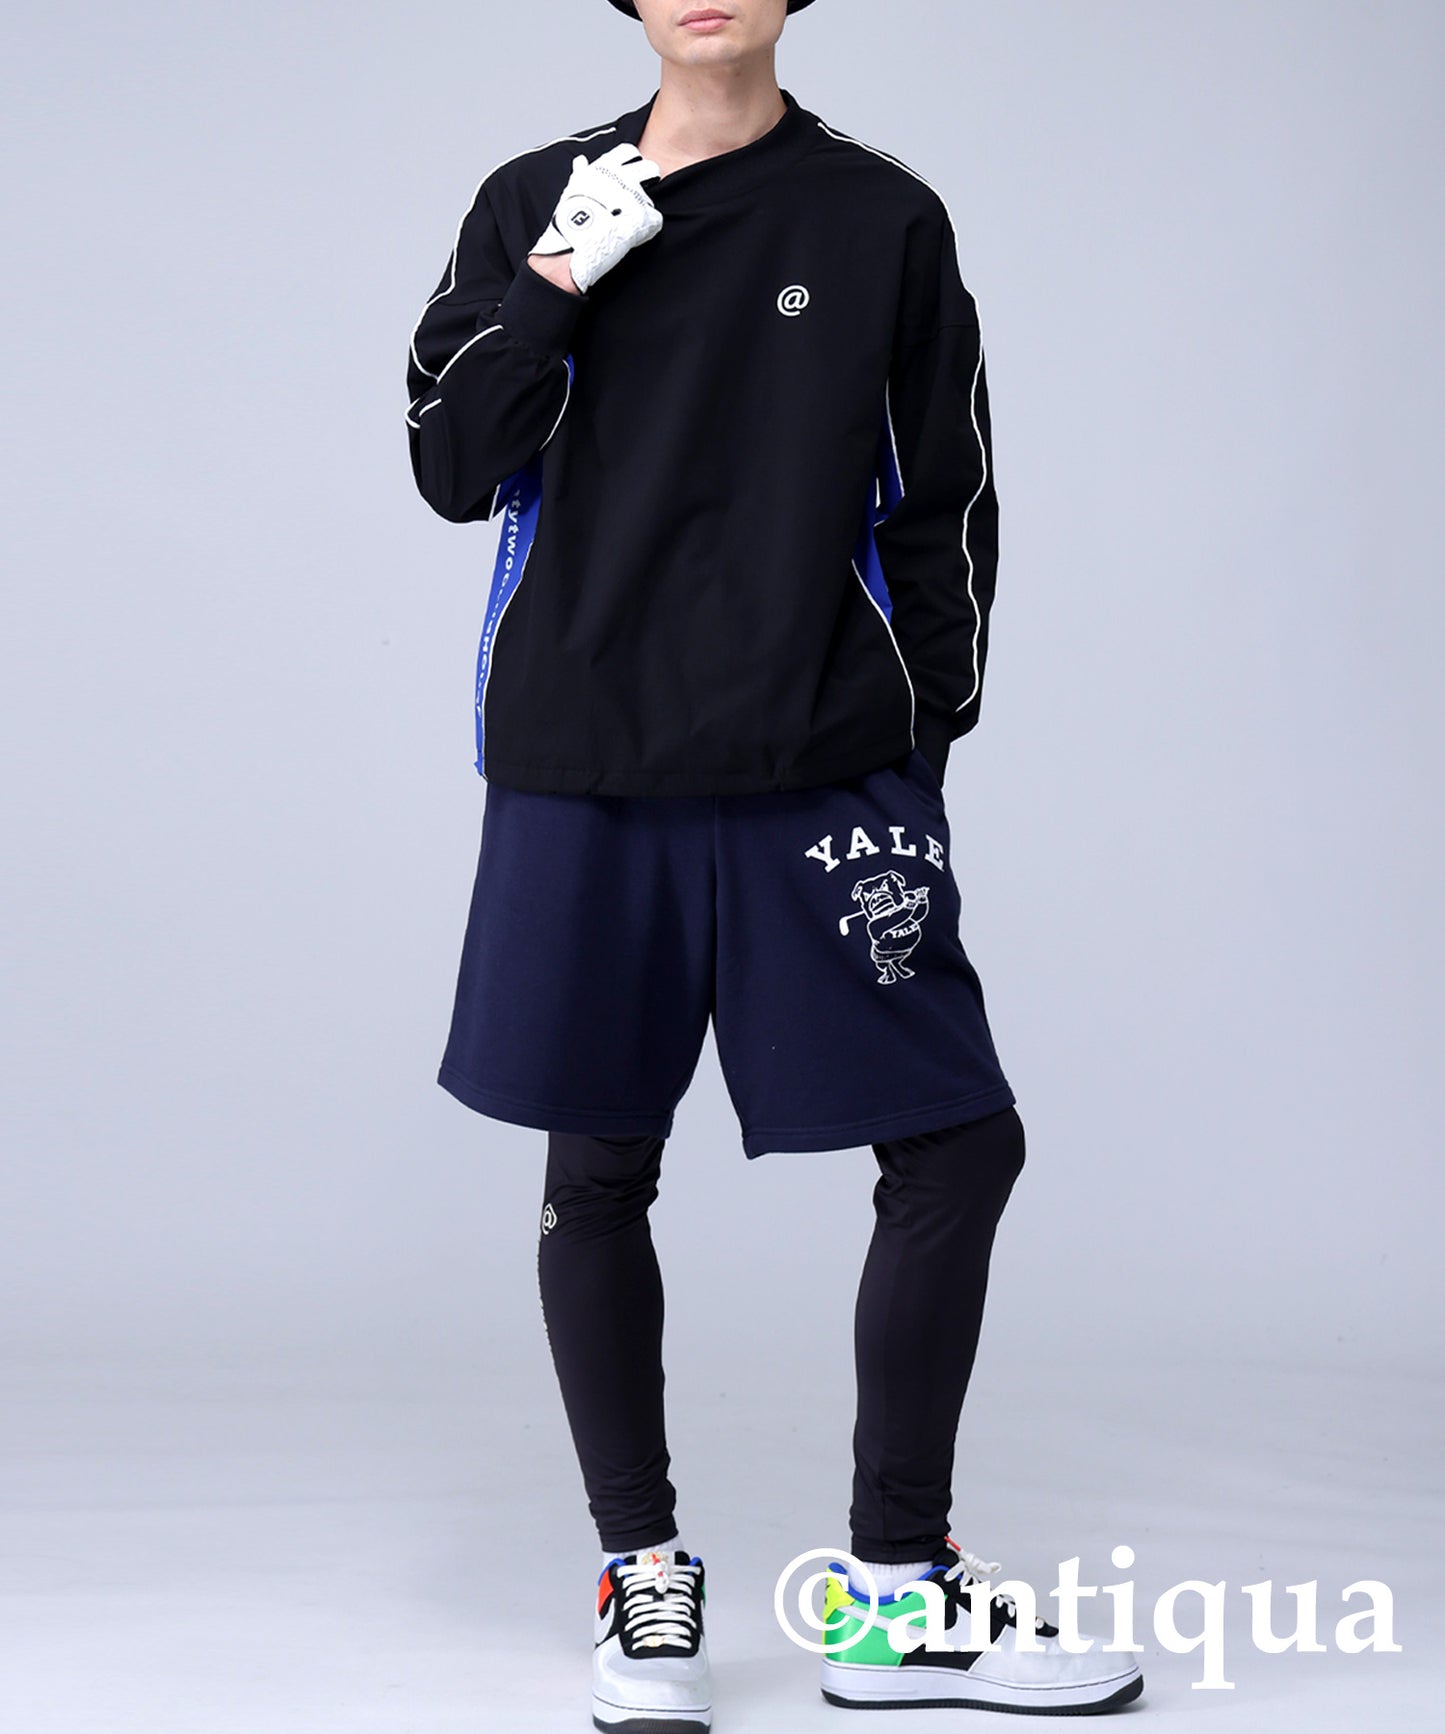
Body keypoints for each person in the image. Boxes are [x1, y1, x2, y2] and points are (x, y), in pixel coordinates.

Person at [404, 0, 1143, 1723]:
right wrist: (558, 278)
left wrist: (915, 736)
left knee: (956, 1143)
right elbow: (450, 462)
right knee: (597, 1164)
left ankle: (894, 1594)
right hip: (586, 760)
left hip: (817, 761)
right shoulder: (531, 196)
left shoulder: (880, 215)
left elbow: (945, 499)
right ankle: (640, 1572)